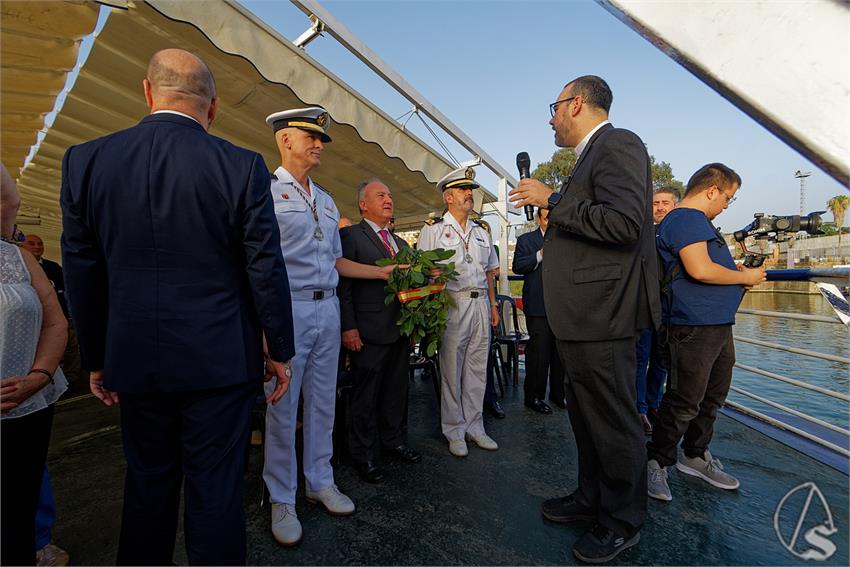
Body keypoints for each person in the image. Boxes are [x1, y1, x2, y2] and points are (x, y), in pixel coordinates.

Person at [60, 49, 295, 566]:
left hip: (135, 360)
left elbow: (83, 272)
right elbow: (265, 267)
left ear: (147, 93)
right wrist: (279, 349)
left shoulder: (86, 161)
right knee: (216, 495)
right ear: (212, 108)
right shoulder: (241, 165)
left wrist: (97, 356)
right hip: (220, 361)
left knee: (147, 484)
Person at [509, 75, 660, 563]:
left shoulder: (618, 144)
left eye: (553, 108)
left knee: (613, 423)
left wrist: (553, 200)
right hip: (581, 317)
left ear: (576, 104)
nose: (550, 119)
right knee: (587, 416)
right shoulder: (590, 158)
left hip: (604, 315)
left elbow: (623, 223)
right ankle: (591, 498)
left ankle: (621, 520)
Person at [263, 106, 396, 546]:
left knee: (323, 402)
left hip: (326, 309)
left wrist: (380, 273)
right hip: (290, 309)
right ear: (285, 140)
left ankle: (319, 480)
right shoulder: (266, 192)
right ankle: (281, 497)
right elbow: (261, 264)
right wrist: (266, 327)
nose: (319, 144)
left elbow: (336, 260)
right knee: (283, 407)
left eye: (320, 138)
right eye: (310, 137)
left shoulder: (325, 198)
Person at [646, 164, 765, 502]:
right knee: (684, 399)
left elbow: (704, 267)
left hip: (713, 324)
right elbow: (699, 269)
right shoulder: (687, 219)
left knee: (712, 397)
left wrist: (734, 272)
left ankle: (695, 455)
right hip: (692, 325)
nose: (727, 204)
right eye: (728, 197)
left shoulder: (698, 224)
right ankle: (656, 461)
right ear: (712, 190)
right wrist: (746, 278)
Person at [1, 162, 69, 566]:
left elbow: (56, 321)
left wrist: (39, 376)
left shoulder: (15, 256)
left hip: (28, 404)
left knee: (18, 507)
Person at [338, 179, 421, 484]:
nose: (388, 199)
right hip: (367, 332)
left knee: (396, 392)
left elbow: (408, 287)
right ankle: (364, 456)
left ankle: (393, 442)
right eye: (380, 195)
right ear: (363, 204)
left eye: (389, 194)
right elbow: (342, 286)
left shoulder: (399, 244)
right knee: (366, 397)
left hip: (399, 331)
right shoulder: (351, 236)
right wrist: (348, 327)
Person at [418, 166, 500, 458]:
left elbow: (491, 272)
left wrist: (493, 306)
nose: (470, 194)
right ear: (448, 197)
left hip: (479, 303)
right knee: (452, 368)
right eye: (464, 190)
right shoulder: (433, 229)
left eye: (471, 190)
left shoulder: (482, 231)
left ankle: (475, 427)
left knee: (478, 368)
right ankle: (453, 430)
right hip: (452, 303)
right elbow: (424, 272)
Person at [635, 187, 680, 434]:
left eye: (665, 203)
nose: (660, 207)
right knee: (641, 359)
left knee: (662, 361)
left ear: (675, 206)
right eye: (655, 203)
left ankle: (654, 403)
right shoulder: (643, 235)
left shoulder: (681, 234)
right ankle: (640, 408)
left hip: (670, 308)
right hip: (643, 308)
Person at [512, 208, 565, 414]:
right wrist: (540, 255)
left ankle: (558, 394)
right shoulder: (526, 240)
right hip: (537, 306)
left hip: (562, 307)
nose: (551, 221)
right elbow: (518, 266)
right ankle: (533, 397)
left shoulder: (565, 241)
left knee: (560, 355)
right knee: (539, 354)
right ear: (538, 219)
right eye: (546, 218)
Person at [20, 234, 83, 390]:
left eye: (40, 244)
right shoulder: (18, 267)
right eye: (32, 243)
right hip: (35, 321)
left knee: (71, 347)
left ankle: (70, 379)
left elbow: (67, 290)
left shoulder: (53, 267)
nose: (37, 247)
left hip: (62, 316)